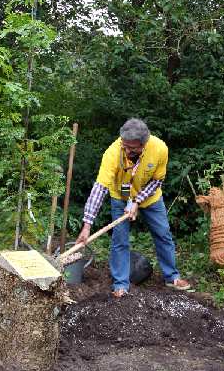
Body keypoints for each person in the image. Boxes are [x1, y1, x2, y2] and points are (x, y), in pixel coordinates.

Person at [76, 118, 190, 298]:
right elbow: (99, 188)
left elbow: (157, 180)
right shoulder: (112, 153)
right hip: (120, 197)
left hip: (150, 196)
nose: (127, 151)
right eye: (125, 146)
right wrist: (87, 225)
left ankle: (172, 276)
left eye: (133, 148)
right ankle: (121, 283)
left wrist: (137, 201)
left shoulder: (160, 149)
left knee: (163, 234)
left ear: (144, 144)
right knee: (120, 239)